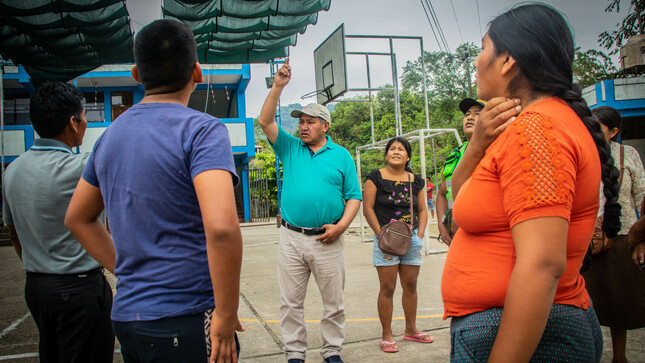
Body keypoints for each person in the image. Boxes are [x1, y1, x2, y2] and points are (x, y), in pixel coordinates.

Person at [441, 3, 622, 362]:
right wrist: (477, 145)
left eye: (482, 49)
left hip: (523, 331)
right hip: (508, 323)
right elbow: (460, 210)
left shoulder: (537, 130)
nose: (476, 61)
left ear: (507, 60)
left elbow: (542, 263)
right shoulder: (527, 126)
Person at [64, 19, 243, 363]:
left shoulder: (108, 138)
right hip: (187, 315)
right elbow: (221, 228)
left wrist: (127, 269)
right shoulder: (202, 130)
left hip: (128, 316)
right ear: (197, 72)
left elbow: (77, 218)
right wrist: (225, 313)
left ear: (135, 74)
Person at [258, 59, 362, 363]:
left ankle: (332, 352)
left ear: (325, 126)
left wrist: (341, 227)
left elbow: (353, 196)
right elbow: (265, 122)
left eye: (310, 122)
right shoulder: (289, 147)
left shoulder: (341, 156)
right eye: (301, 121)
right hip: (291, 238)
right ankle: (294, 354)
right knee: (291, 303)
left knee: (334, 303)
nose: (303, 126)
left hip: (328, 238)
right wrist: (278, 85)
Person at [2, 81, 114, 363]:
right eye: (85, 116)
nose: (87, 122)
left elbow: (14, 233)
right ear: (73, 123)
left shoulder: (12, 171)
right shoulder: (81, 167)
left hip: (37, 287)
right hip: (78, 291)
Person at [582, 106, 645, 363]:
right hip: (586, 239)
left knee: (619, 301)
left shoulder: (627, 155)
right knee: (588, 302)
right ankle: (590, 353)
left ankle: (620, 357)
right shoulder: (582, 154)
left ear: (614, 131)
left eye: (598, 127)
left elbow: (642, 196)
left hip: (622, 238)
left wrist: (642, 237)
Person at [363, 137, 432, 353]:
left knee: (410, 285)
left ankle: (411, 330)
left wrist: (419, 235)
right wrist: (380, 235)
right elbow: (368, 208)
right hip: (385, 240)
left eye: (401, 149)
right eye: (392, 149)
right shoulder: (375, 178)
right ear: (386, 154)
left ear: (408, 156)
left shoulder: (416, 180)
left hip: (410, 239)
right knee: (388, 287)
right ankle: (387, 334)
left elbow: (422, 210)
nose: (396, 151)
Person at [435, 98, 485, 245]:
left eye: (477, 114)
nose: (470, 117)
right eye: (467, 114)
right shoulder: (454, 155)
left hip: (483, 233)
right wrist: (442, 225)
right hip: (456, 235)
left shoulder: (496, 150)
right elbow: (442, 194)